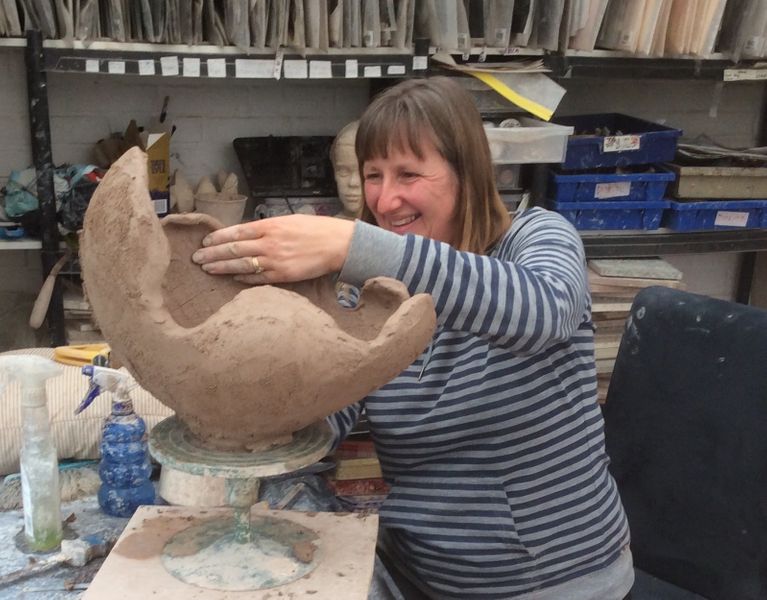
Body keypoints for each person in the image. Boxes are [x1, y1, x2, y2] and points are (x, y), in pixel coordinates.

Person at [191, 76, 633, 599]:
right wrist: (254, 410)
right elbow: (328, 407)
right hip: (415, 575)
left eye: (408, 174)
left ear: (465, 173)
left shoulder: (536, 238)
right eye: (372, 175)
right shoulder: (371, 295)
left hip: (552, 581)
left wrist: (351, 243)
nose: (384, 198)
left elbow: (545, 312)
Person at [330, 120, 362, 220]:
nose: (353, 183)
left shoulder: (395, 232)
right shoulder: (325, 230)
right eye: (343, 171)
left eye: (362, 172)